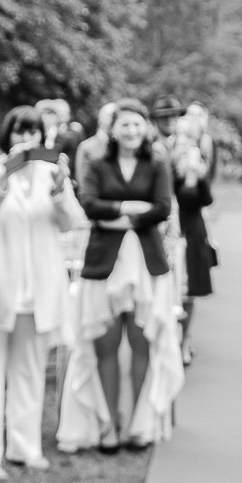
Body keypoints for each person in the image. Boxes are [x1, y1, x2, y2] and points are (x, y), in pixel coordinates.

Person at [0, 106, 86, 481]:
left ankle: (25, 447)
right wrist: (4, 177)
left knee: (30, 373)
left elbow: (70, 222)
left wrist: (60, 188)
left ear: (43, 137)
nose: (26, 139)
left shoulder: (51, 174)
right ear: (7, 136)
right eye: (19, 132)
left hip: (36, 292)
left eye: (34, 132)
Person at [78, 99, 174, 451]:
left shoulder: (158, 163)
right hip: (105, 262)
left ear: (146, 128)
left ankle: (137, 425)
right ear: (113, 130)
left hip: (147, 265)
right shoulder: (97, 163)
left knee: (140, 341)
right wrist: (131, 208)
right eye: (125, 125)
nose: (132, 131)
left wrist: (113, 215)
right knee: (105, 342)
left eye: (138, 125)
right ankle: (108, 427)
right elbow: (89, 204)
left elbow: (163, 207)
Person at [153, 96, 216, 363]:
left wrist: (196, 174)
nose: (171, 123)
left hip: (189, 225)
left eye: (174, 118)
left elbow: (202, 198)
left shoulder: (192, 154)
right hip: (161, 225)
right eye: (165, 117)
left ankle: (184, 341)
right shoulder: (155, 150)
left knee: (188, 288)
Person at [73, 100, 117, 178]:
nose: (113, 119)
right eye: (110, 115)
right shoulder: (86, 146)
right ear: (100, 118)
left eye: (116, 116)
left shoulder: (122, 146)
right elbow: (81, 178)